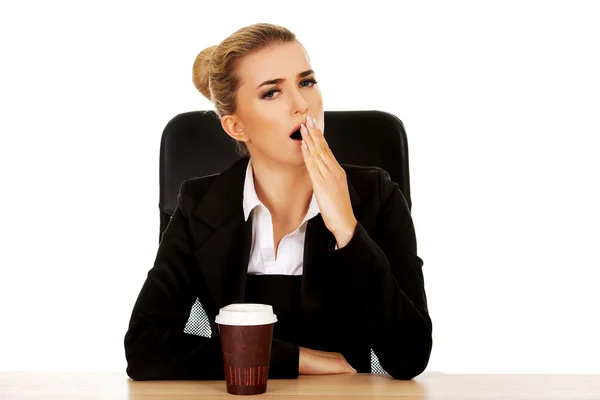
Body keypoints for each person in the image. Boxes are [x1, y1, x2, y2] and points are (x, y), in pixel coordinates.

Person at [124, 22, 432, 381]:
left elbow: (409, 355)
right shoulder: (200, 204)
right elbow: (145, 349)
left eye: (306, 82)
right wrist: (296, 359)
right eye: (272, 93)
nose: (302, 105)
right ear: (236, 127)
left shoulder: (377, 194)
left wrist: (347, 229)